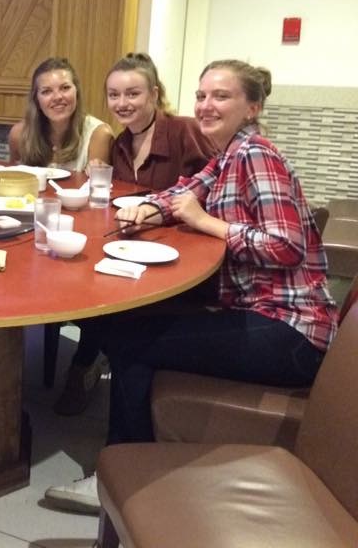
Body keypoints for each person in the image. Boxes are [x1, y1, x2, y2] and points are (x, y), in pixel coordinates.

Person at [45, 59, 339, 514]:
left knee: (129, 341)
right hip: (253, 311)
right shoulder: (228, 154)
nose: (205, 105)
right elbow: (183, 192)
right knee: (129, 325)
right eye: (201, 96)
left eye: (221, 96)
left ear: (252, 107)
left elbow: (286, 246)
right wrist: (149, 209)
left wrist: (206, 222)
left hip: (291, 330)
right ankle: (136, 461)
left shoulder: (256, 154)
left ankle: (122, 477)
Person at [53, 53, 215, 416]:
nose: (122, 103)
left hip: (184, 258)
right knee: (88, 282)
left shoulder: (184, 132)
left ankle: (85, 366)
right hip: (135, 250)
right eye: (114, 95)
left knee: (107, 300)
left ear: (154, 94)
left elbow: (216, 187)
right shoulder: (121, 144)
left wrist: (164, 213)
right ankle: (94, 363)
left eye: (133, 94)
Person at [8, 57, 113, 171]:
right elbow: (12, 178)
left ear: (76, 92)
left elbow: (97, 181)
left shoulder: (99, 135)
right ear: (36, 99)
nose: (57, 97)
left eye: (65, 88)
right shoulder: (19, 134)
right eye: (46, 91)